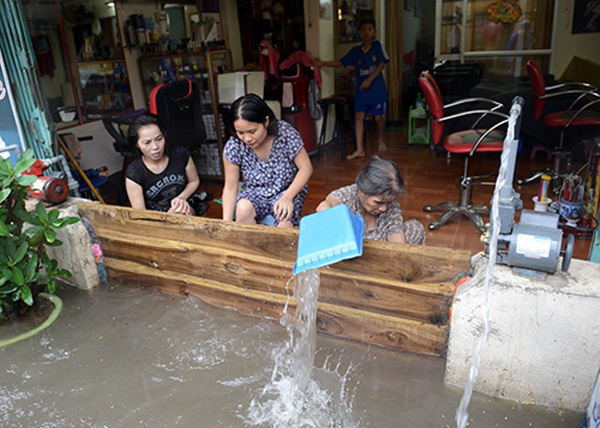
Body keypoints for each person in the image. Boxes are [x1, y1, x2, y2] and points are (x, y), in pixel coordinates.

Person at [222, 93, 313, 228]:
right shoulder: (234, 145)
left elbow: (306, 168)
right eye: (241, 133)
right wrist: (226, 223)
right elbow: (230, 188)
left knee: (284, 223)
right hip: (255, 192)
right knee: (242, 209)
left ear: (266, 121)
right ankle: (252, 248)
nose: (247, 138)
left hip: (286, 190)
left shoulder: (285, 133)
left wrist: (288, 197)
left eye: (252, 131)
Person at [313, 18, 389, 159]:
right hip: (362, 91)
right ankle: (359, 150)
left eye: (369, 29)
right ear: (359, 33)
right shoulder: (356, 51)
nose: (366, 32)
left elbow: (381, 65)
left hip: (377, 89)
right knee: (358, 117)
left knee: (378, 118)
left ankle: (381, 139)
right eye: (363, 30)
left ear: (374, 32)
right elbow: (341, 62)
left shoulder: (378, 45)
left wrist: (369, 80)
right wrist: (322, 63)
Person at [316, 156, 426, 245]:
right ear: (363, 190)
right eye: (378, 202)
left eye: (388, 202)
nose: (384, 208)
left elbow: (398, 248)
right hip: (352, 256)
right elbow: (324, 207)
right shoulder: (347, 196)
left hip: (381, 257)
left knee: (415, 228)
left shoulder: (391, 207)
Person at [125, 113, 204, 216]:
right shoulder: (134, 172)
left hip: (185, 207)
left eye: (159, 139)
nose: (155, 147)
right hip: (156, 219)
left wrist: (181, 198)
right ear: (137, 144)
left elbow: (194, 181)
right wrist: (166, 217)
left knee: (183, 212)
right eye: (147, 142)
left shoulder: (180, 154)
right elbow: (141, 214)